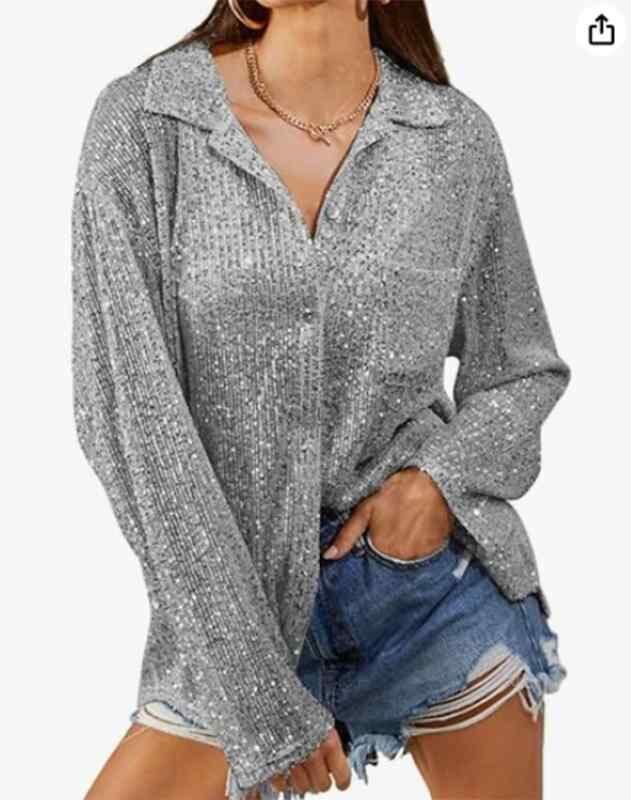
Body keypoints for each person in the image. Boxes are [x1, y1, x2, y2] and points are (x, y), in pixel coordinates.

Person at [72, 1, 571, 799]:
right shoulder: (148, 122)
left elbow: (520, 369)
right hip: (236, 614)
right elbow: (128, 418)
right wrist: (253, 690)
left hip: (426, 594)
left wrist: (434, 485)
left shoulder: (452, 139)